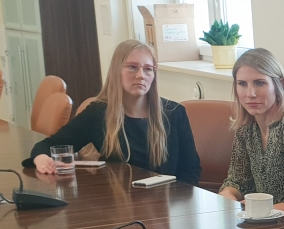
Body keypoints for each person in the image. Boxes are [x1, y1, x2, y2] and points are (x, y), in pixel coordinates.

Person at [23, 40, 200, 185]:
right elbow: (48, 145)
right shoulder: (98, 113)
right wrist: (41, 158)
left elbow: (191, 171)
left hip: (166, 205)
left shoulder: (174, 113)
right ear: (116, 71)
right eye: (132, 67)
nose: (141, 75)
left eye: (148, 69)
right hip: (120, 205)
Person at [219, 48, 284, 208]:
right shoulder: (246, 128)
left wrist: (267, 209)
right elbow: (238, 181)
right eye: (242, 84)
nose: (250, 93)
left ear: (279, 84)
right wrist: (228, 193)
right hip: (263, 218)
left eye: (259, 83)